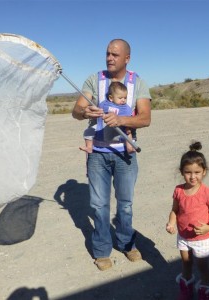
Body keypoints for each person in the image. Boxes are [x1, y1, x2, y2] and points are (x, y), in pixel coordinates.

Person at [72, 39, 151, 271]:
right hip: (97, 154)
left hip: (125, 156)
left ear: (127, 58)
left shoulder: (138, 83)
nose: (109, 58)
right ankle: (101, 250)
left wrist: (122, 120)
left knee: (125, 204)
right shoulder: (93, 80)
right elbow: (76, 111)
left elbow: (145, 118)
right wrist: (84, 110)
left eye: (115, 54)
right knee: (98, 205)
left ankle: (127, 243)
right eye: (107, 53)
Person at [166, 141, 209, 300]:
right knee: (186, 263)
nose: (192, 176)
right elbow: (175, 210)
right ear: (182, 172)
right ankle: (186, 288)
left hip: (202, 238)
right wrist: (171, 222)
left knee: (203, 266)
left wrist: (208, 227)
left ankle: (205, 290)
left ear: (204, 171)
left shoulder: (207, 193)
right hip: (184, 237)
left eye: (197, 172)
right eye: (188, 172)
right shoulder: (178, 190)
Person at [79, 81, 135, 154]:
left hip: (121, 127)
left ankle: (129, 148)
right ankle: (89, 147)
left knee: (128, 134)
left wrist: (127, 128)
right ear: (111, 98)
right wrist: (94, 111)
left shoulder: (125, 108)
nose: (123, 100)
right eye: (120, 98)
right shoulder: (105, 104)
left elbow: (128, 118)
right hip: (103, 125)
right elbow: (99, 110)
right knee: (88, 131)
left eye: (125, 97)